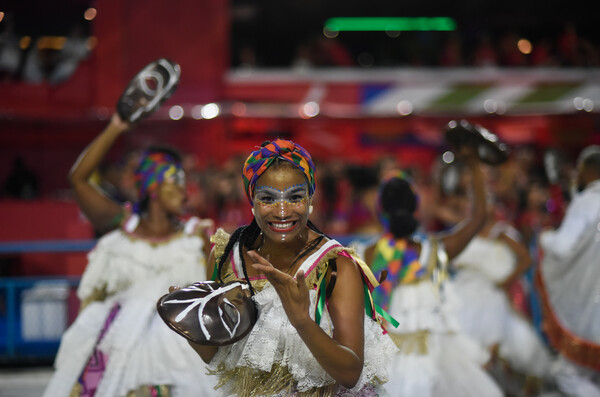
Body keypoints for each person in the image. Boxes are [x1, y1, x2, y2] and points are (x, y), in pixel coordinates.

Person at [179, 139, 398, 396]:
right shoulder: (227, 258)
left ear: (310, 197)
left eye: (295, 197)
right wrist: (189, 324)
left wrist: (302, 321)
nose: (282, 212)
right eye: (267, 198)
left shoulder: (336, 265)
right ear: (252, 199)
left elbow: (350, 374)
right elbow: (221, 357)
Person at [43, 112, 217, 397]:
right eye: (175, 180)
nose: (184, 189)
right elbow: (79, 179)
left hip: (178, 348)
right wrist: (116, 127)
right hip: (113, 342)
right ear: (153, 186)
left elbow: (212, 297)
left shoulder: (198, 235)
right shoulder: (122, 226)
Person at [352, 149, 504, 397]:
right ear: (415, 210)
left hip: (379, 363)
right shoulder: (434, 251)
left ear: (380, 211)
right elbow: (478, 218)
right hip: (431, 360)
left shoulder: (361, 255)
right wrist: (475, 164)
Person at [451, 196, 553, 393]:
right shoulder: (464, 230)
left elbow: (525, 259)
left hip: (490, 291)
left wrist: (507, 280)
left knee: (492, 332)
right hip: (463, 287)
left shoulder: (500, 233)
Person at [537, 145, 600, 397]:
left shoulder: (588, 202)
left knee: (567, 373)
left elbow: (563, 247)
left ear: (587, 171)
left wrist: (545, 237)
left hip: (592, 307)